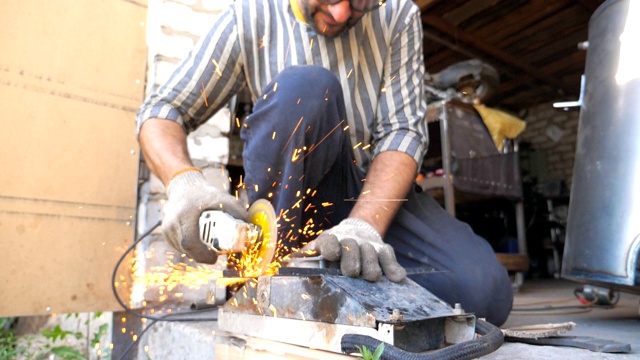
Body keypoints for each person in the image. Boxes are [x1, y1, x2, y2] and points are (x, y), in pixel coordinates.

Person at [136, 0, 513, 326]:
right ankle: (270, 276)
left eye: (361, 1)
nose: (341, 12)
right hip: (288, 201)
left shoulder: (397, 15)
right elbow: (163, 110)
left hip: (371, 192)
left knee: (483, 289)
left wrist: (364, 226)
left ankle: (334, 277)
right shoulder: (251, 14)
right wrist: (183, 182)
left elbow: (403, 133)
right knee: (307, 89)